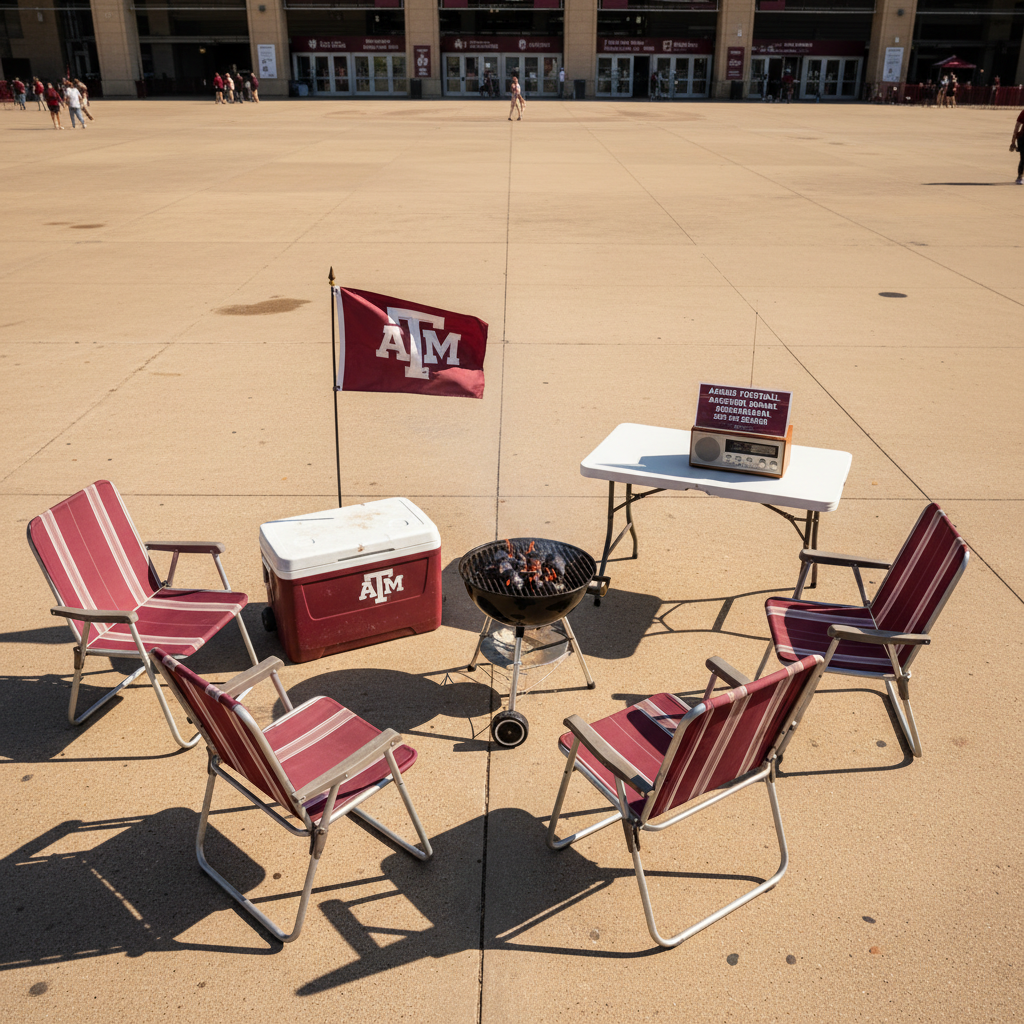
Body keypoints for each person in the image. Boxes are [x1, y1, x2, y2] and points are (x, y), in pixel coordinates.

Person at [1010, 107, 1024, 184]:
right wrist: (1013, 142)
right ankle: (1020, 177)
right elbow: (1017, 127)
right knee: (1023, 158)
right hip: (1023, 138)